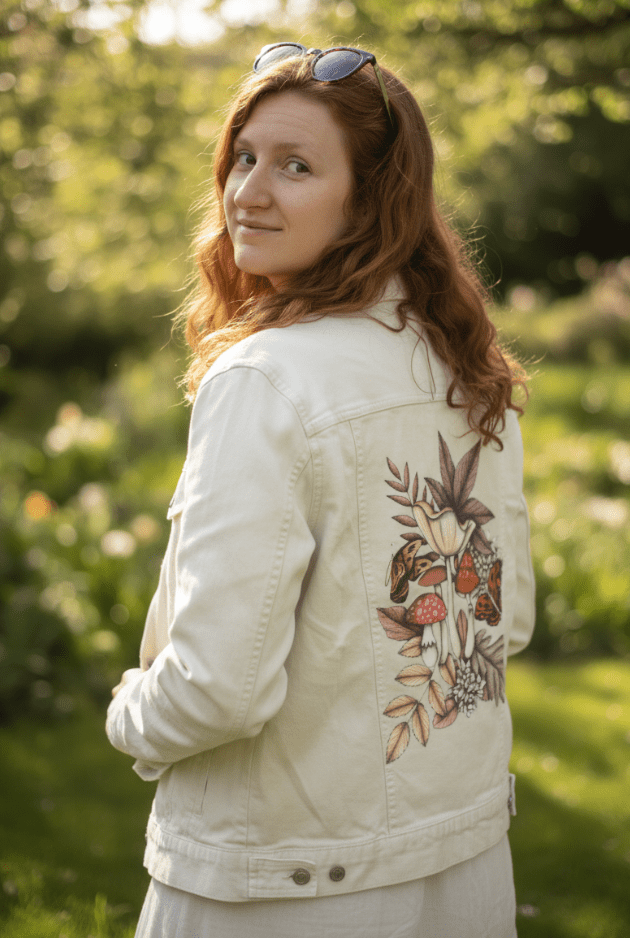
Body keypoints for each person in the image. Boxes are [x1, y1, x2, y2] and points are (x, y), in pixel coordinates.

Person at [106, 42, 536, 938]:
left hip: (283, 887)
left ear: (372, 198)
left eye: (296, 166)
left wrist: (129, 715)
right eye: (244, 158)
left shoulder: (264, 379)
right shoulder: (463, 366)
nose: (248, 193)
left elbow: (215, 689)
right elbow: (505, 622)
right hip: (462, 867)